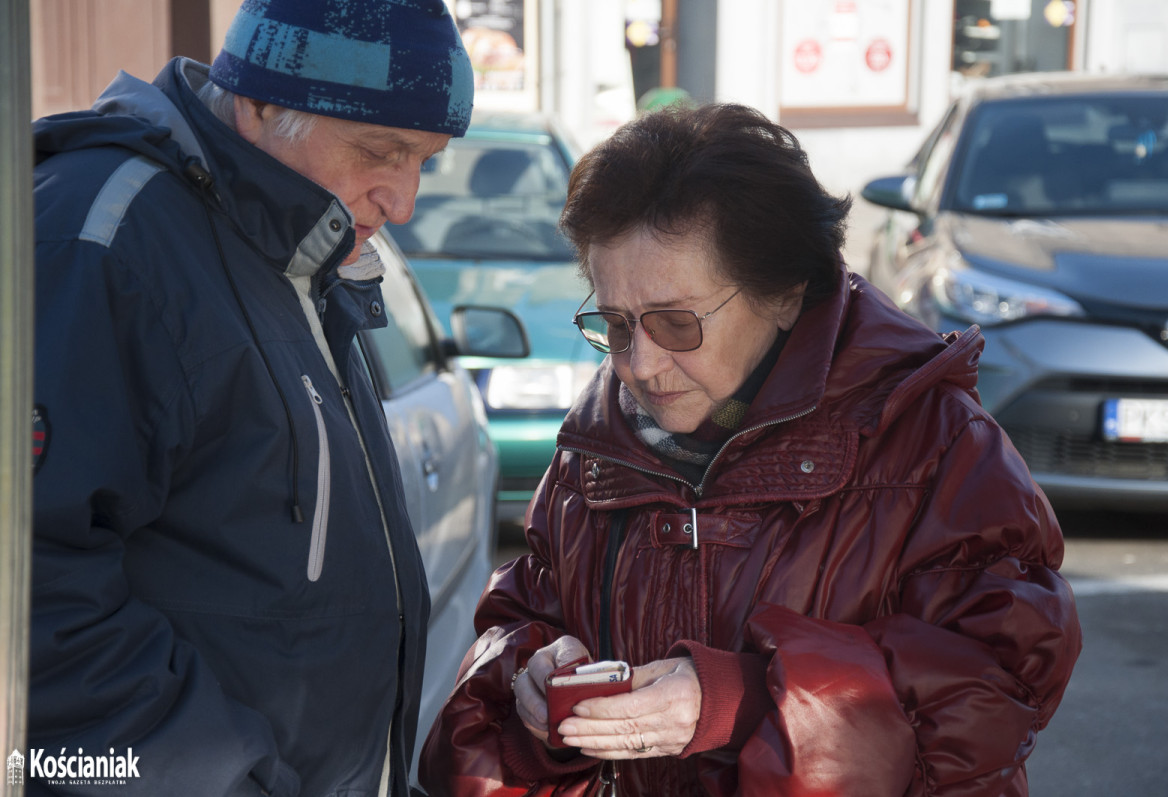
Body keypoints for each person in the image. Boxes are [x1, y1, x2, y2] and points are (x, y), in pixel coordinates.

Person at [418, 103, 1082, 796]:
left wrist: (746, 703)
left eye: (676, 322)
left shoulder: (936, 444)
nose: (639, 365)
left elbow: (996, 692)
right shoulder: (594, 447)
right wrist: (531, 687)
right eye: (613, 323)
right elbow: (522, 622)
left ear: (787, 293)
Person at [28, 1, 472, 795]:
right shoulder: (106, 239)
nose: (402, 201)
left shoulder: (295, 254)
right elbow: (32, 595)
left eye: (425, 161)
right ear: (263, 101)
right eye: (382, 150)